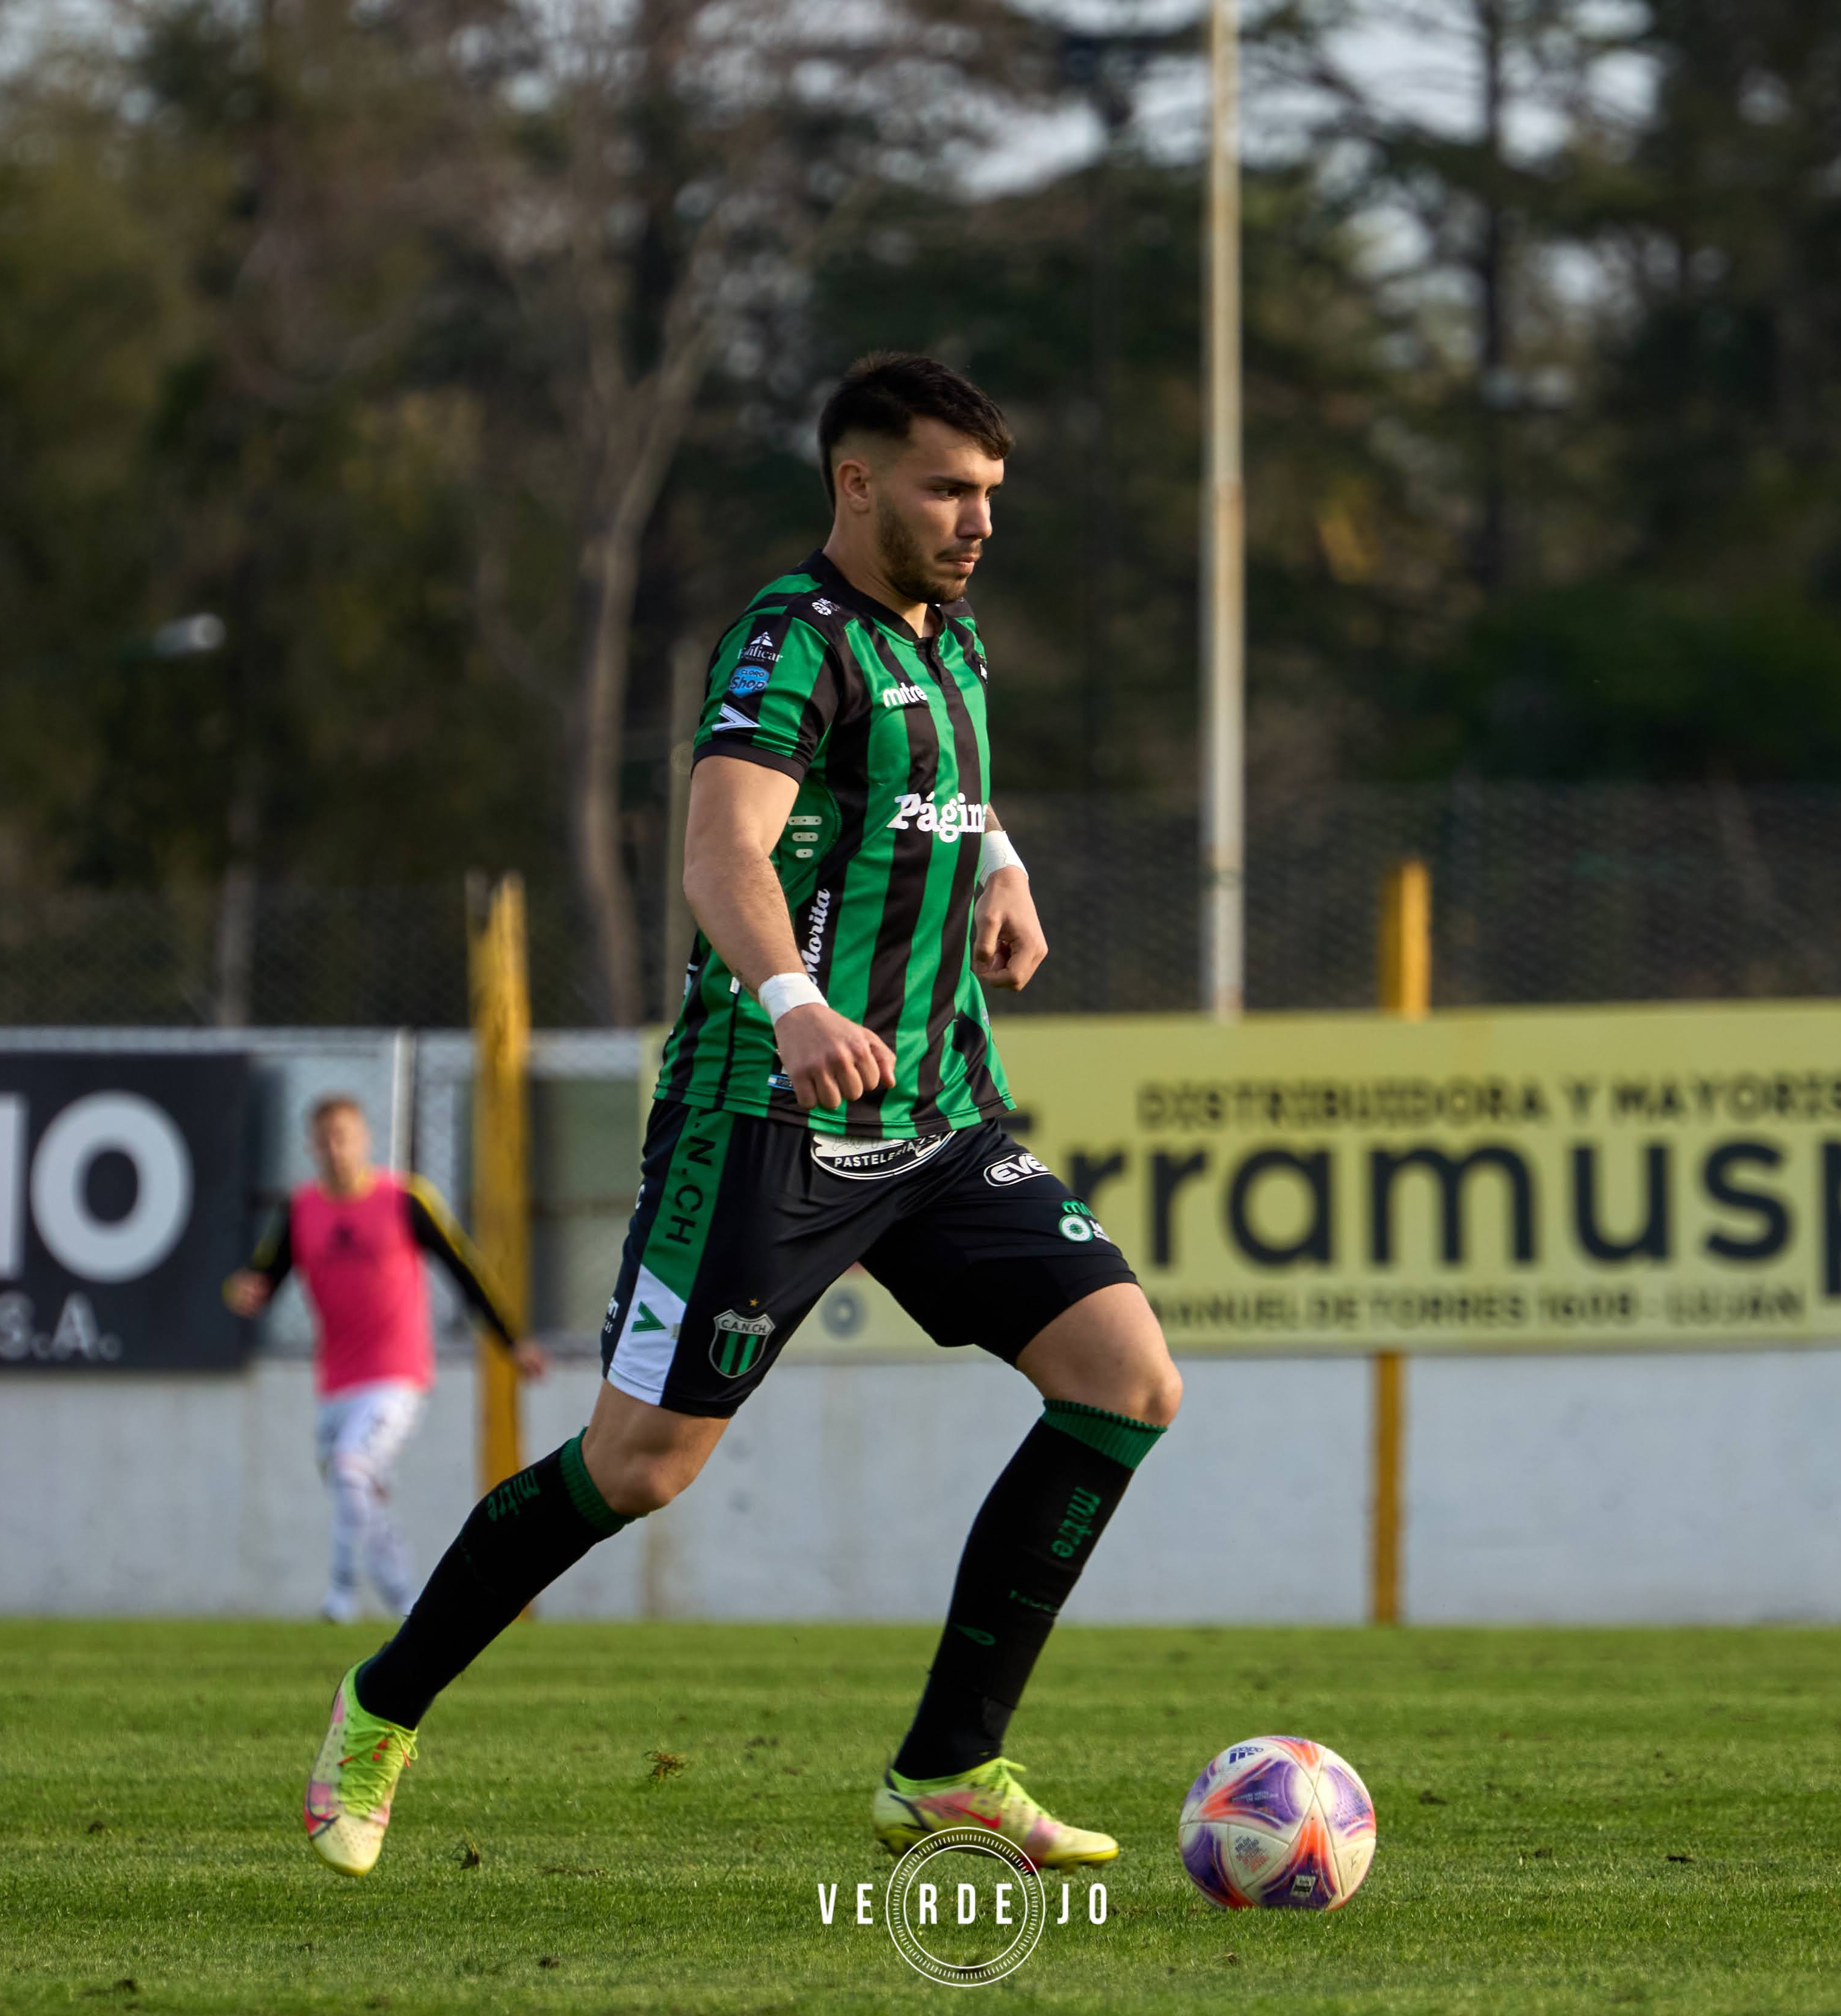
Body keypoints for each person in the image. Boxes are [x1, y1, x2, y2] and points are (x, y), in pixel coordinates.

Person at [302, 352, 1182, 1879]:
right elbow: (725, 849)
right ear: (855, 483)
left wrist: (999, 867)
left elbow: (930, 780)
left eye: (989, 494)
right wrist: (793, 1001)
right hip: (765, 1117)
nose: (977, 521)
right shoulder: (786, 642)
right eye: (944, 490)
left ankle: (950, 1764)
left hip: (941, 1113)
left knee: (1125, 1379)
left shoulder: (950, 641)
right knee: (636, 1469)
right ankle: (383, 1702)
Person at [227, 1095, 543, 1624]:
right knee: (357, 1492)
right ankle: (398, 1601)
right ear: (311, 1146)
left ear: (365, 1140)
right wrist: (244, 1291)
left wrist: (513, 1343)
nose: (336, 1149)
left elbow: (464, 1270)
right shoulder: (301, 1210)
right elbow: (265, 1277)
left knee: (352, 1472)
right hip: (335, 1382)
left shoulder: (405, 1199)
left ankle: (357, 1597)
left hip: (397, 1374)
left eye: (344, 1136)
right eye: (325, 1139)